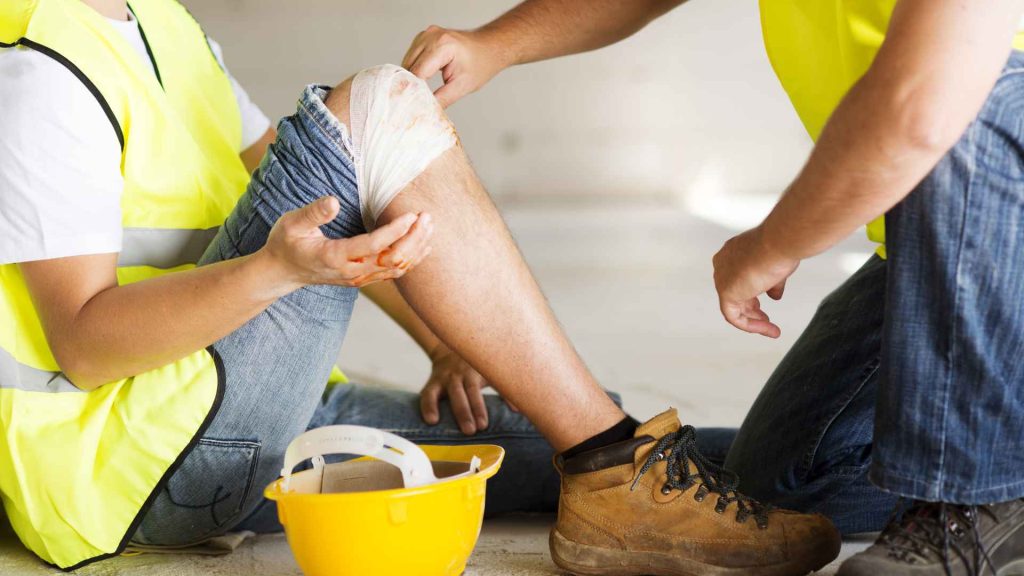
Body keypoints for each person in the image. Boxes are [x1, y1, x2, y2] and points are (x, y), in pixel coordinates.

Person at [0, 0, 839, 574]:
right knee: (377, 102)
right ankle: (616, 459)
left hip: (243, 416)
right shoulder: (40, 62)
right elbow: (83, 342)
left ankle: (913, 497)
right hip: (139, 468)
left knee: (713, 465)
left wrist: (444, 339)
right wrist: (271, 273)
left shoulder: (155, 21)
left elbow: (308, 183)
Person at [403, 0, 1024, 574]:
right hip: (940, 246)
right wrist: (495, 44)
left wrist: (775, 242)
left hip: (1000, 216)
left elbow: (924, 106)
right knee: (786, 483)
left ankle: (971, 496)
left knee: (967, 97)